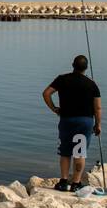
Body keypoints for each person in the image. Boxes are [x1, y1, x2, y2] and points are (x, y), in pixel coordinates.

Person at [42, 55, 102, 191]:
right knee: (79, 152)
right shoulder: (92, 84)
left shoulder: (62, 79)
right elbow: (98, 107)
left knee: (65, 152)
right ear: (86, 67)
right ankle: (76, 183)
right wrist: (98, 125)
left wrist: (54, 108)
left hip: (67, 120)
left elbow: (46, 93)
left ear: (72, 65)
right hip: (84, 122)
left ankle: (63, 181)